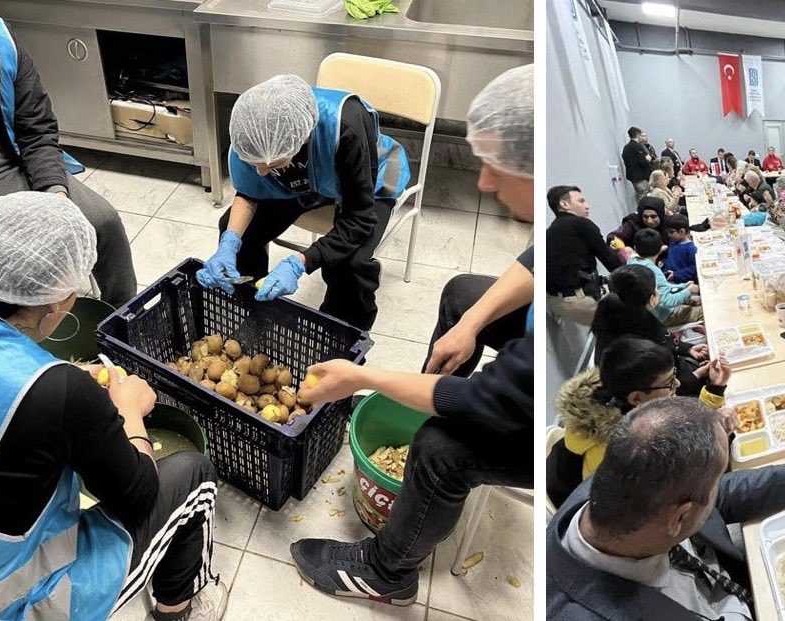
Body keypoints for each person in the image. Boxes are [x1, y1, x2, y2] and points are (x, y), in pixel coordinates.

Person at [289, 65, 533, 606]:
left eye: (497, 167)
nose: (483, 183)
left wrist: (360, 376)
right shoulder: (564, 217)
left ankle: (387, 572)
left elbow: (489, 400)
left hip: (555, 424)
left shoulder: (543, 358)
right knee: (465, 293)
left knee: (440, 448)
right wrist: (470, 324)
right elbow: (537, 263)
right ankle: (424, 406)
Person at [0, 192, 224, 620]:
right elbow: (138, 496)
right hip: (13, 601)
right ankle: (178, 607)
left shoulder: (51, 387)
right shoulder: (58, 392)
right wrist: (129, 410)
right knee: (195, 475)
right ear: (54, 301)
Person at [547, 396, 785, 620]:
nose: (720, 485)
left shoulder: (624, 480)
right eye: (717, 480)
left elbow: (716, 496)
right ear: (679, 518)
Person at [198, 74, 410, 331]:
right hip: (302, 182)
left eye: (272, 164)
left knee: (349, 265)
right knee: (239, 232)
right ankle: (253, 313)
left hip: (365, 180)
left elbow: (359, 219)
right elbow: (250, 193)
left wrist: (300, 262)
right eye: (257, 165)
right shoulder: (251, 132)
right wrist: (229, 244)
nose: (262, 172)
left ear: (305, 137)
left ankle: (338, 336)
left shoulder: (344, 127)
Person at [0, 14, 136, 307]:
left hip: (10, 162)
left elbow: (36, 130)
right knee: (9, 262)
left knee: (102, 221)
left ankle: (124, 315)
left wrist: (56, 196)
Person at [546, 338, 732, 509]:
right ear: (636, 397)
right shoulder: (628, 450)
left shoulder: (614, 397)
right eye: (669, 383)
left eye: (674, 374)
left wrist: (715, 387)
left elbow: (685, 420)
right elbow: (686, 480)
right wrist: (718, 432)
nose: (676, 383)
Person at [591, 266, 708, 395]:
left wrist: (687, 349)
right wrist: (699, 375)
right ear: (651, 299)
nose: (658, 292)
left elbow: (664, 338)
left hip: (680, 371)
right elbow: (666, 391)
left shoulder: (629, 316)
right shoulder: (634, 352)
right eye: (656, 289)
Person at [546, 185, 621, 326]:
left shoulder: (550, 231)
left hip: (555, 303)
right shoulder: (582, 224)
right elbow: (611, 262)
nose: (587, 206)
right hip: (580, 300)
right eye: (581, 201)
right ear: (564, 204)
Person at [629, 229, 702, 327]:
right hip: (664, 315)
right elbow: (667, 302)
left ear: (635, 248)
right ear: (660, 248)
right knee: (706, 310)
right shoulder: (652, 271)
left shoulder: (632, 260)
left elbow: (663, 290)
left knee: (701, 300)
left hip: (650, 313)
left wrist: (683, 286)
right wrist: (688, 290)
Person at [663, 215, 698, 284]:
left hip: (680, 282)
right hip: (668, 275)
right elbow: (671, 258)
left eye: (671, 232)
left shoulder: (691, 249)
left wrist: (676, 275)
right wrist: (663, 263)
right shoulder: (673, 242)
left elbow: (694, 268)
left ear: (682, 231)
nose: (668, 235)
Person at [622, 126, 654, 196]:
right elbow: (643, 162)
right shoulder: (637, 147)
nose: (641, 138)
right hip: (641, 178)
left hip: (633, 178)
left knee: (643, 197)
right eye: (640, 135)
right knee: (646, 197)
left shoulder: (626, 148)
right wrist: (647, 159)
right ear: (637, 135)